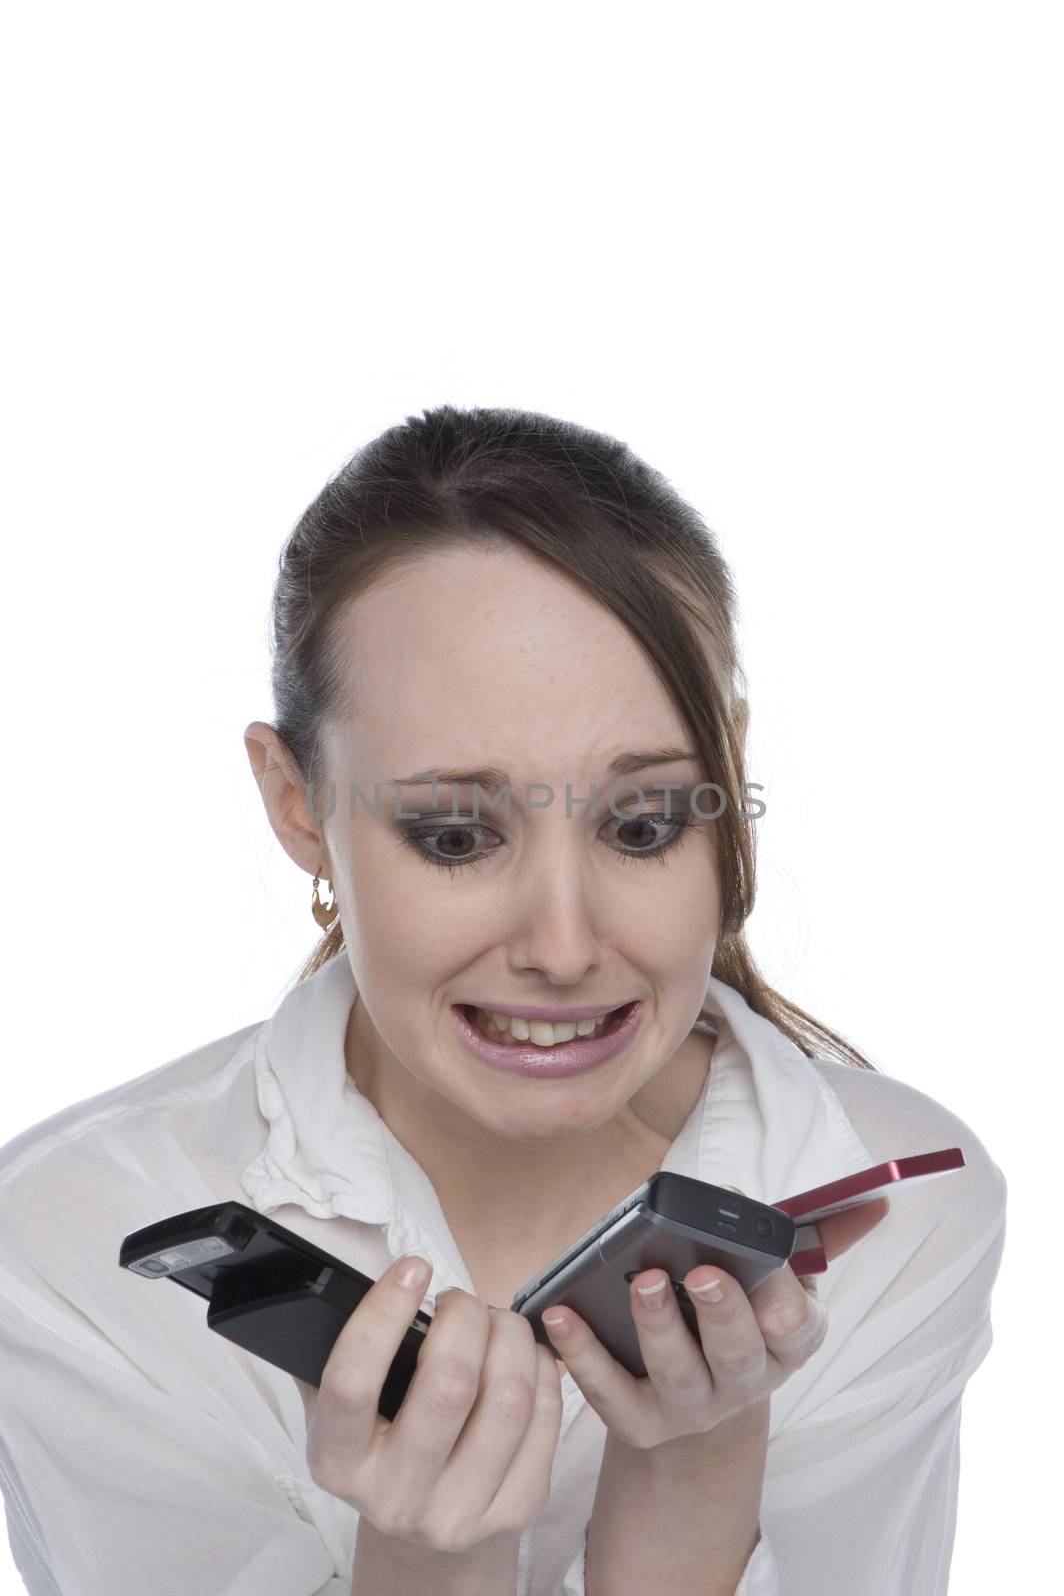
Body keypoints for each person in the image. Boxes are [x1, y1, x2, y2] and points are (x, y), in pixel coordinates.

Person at [0, 406, 1007, 1596]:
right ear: (295, 803)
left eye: (639, 824)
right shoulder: (70, 1248)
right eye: (454, 833)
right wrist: (430, 1568)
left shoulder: (899, 1223)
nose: (565, 946)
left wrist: (690, 1492)